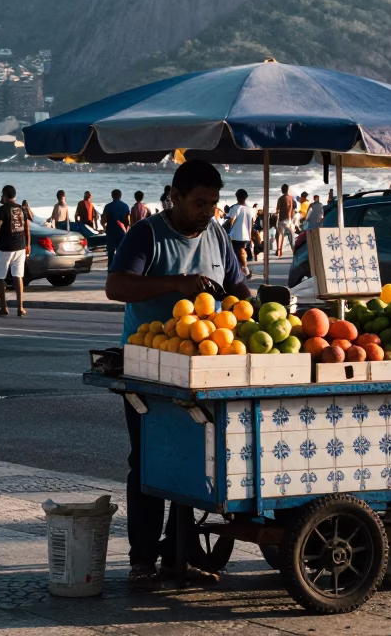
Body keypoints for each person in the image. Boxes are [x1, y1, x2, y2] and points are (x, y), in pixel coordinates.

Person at [106, 160, 250, 585]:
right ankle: (142, 558)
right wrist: (177, 283)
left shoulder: (218, 234)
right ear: (176, 197)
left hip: (206, 366)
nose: (207, 211)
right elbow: (117, 287)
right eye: (199, 202)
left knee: (196, 460)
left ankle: (178, 551)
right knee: (149, 460)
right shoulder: (146, 233)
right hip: (149, 367)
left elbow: (237, 286)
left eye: (213, 203)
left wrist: (255, 310)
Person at [0, 185, 30, 317]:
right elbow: (26, 228)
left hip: (5, 247)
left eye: (2, 194)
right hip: (20, 247)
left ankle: (4, 307)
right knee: (18, 276)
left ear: (5, 195)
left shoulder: (2, 210)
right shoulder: (20, 208)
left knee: (0, 277)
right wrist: (28, 244)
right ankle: (20, 307)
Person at [225, 188, 253, 279]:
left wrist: (225, 231)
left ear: (237, 197)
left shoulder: (235, 208)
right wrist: (251, 237)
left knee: (238, 254)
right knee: (242, 253)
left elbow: (231, 221)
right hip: (246, 235)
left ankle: (246, 272)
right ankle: (244, 271)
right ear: (246, 197)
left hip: (236, 235)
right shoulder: (250, 209)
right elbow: (251, 223)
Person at [102, 189, 131, 267]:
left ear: (112, 196)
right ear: (120, 196)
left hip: (111, 232)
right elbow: (128, 221)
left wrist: (104, 227)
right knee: (120, 253)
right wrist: (126, 231)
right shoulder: (125, 206)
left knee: (110, 253)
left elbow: (103, 220)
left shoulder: (108, 206)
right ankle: (119, 270)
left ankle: (110, 271)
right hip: (122, 232)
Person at [274, 184, 296, 257]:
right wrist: (290, 220)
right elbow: (290, 209)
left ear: (282, 190)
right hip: (288, 220)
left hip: (281, 219)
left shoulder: (280, 198)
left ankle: (279, 251)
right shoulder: (290, 198)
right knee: (291, 236)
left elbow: (277, 209)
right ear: (288, 190)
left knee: (280, 234)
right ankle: (294, 251)